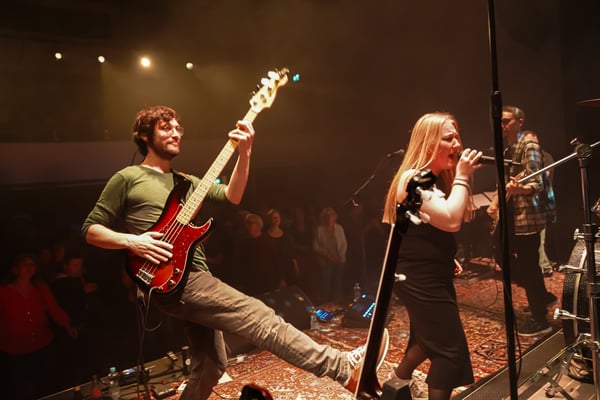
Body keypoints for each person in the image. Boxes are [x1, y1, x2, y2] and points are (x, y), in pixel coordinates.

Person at [81, 105, 388, 400]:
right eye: (166, 127)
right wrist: (134, 242)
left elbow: (233, 195)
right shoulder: (127, 178)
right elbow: (90, 229)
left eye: (178, 128)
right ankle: (341, 367)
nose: (176, 133)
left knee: (210, 366)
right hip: (174, 278)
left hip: (191, 274)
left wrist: (245, 152)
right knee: (260, 317)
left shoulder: (187, 182)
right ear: (144, 135)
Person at [383, 112, 481, 400]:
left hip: (429, 271)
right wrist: (462, 176)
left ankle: (396, 382)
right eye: (449, 138)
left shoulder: (429, 179)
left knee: (428, 339)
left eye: (457, 136)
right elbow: (451, 220)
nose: (457, 144)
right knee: (450, 350)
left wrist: (444, 256)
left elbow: (422, 228)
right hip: (417, 277)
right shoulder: (412, 179)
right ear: (428, 143)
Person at [486, 106, 555, 336]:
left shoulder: (529, 145)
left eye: (507, 121)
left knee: (529, 266)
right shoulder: (508, 148)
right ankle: (541, 296)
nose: (502, 125)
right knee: (501, 255)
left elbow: (537, 182)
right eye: (501, 121)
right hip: (511, 216)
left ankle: (541, 320)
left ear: (520, 122)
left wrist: (520, 189)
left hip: (526, 219)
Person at [0, 253, 77, 399]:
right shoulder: (3, 292)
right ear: (15, 269)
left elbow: (53, 308)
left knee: (47, 385)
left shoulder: (40, 287)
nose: (30, 267)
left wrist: (67, 325)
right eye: (25, 264)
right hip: (15, 351)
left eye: (32, 264)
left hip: (43, 345)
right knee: (21, 389)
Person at [313, 206, 348, 303]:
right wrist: (327, 255)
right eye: (327, 215)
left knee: (337, 284)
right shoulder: (319, 229)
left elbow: (344, 243)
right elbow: (315, 246)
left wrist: (339, 255)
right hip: (326, 260)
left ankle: (338, 304)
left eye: (331, 215)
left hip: (339, 259)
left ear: (334, 216)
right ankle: (326, 304)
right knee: (326, 283)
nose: (329, 217)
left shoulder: (339, 228)